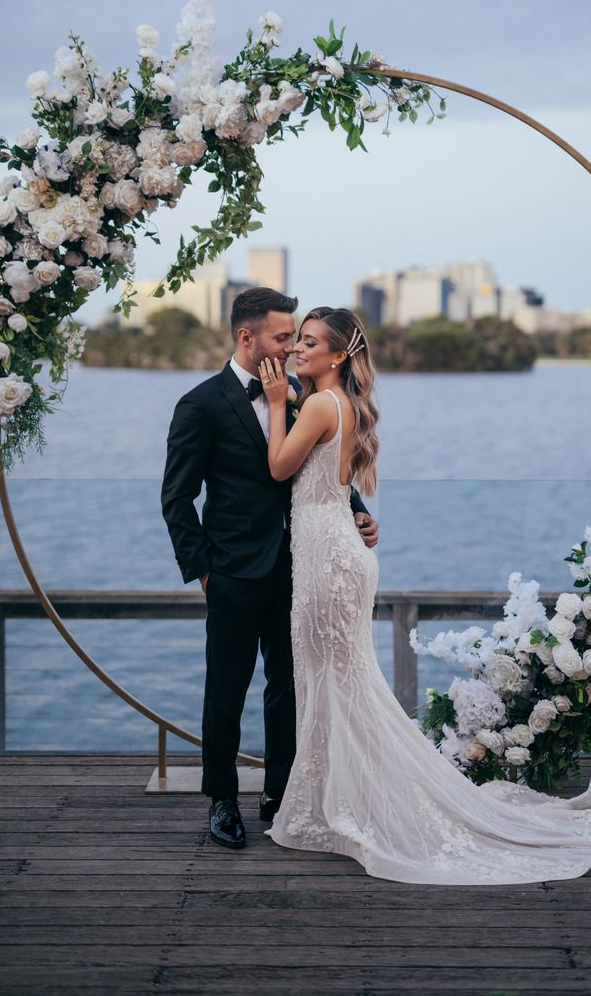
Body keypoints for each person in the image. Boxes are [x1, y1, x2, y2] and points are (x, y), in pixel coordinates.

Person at [257, 305, 591, 885]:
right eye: (297, 340)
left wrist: (278, 400)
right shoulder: (344, 406)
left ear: (337, 356)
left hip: (329, 562)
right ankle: (337, 804)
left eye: (310, 342)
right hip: (332, 554)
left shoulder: (319, 404)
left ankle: (342, 808)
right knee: (339, 680)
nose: (298, 349)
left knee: (335, 679)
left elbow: (280, 468)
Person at [160, 288, 378, 850]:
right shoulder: (200, 404)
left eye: (297, 338)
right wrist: (203, 568)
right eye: (283, 337)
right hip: (232, 569)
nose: (290, 346)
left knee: (290, 686)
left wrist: (358, 513)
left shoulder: (306, 396)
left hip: (301, 567)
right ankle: (223, 800)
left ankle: (282, 793)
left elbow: (325, 470)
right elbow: (176, 498)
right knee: (226, 687)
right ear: (246, 337)